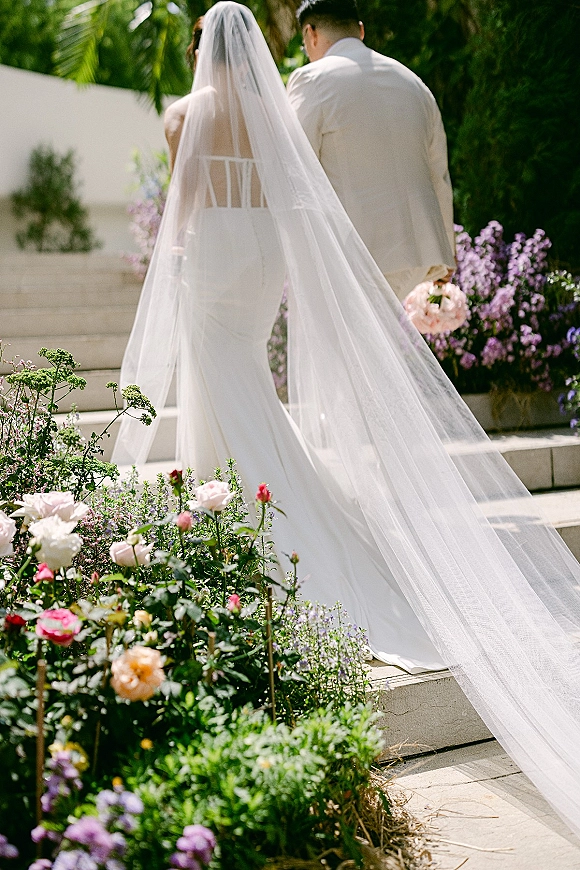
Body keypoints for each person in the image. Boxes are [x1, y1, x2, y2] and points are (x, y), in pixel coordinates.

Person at [114, 2, 580, 837]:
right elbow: (303, 198)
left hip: (217, 252)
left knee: (222, 384)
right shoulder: (275, 110)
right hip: (263, 258)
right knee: (245, 375)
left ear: (199, 50)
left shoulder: (186, 112)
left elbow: (182, 207)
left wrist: (176, 261)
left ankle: (248, 508)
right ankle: (259, 495)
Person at [286, 0, 455, 301]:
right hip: (417, 251)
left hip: (353, 253)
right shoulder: (413, 82)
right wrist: (447, 255)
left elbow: (294, 168)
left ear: (311, 34)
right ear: (360, 31)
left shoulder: (311, 79)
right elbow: (438, 172)